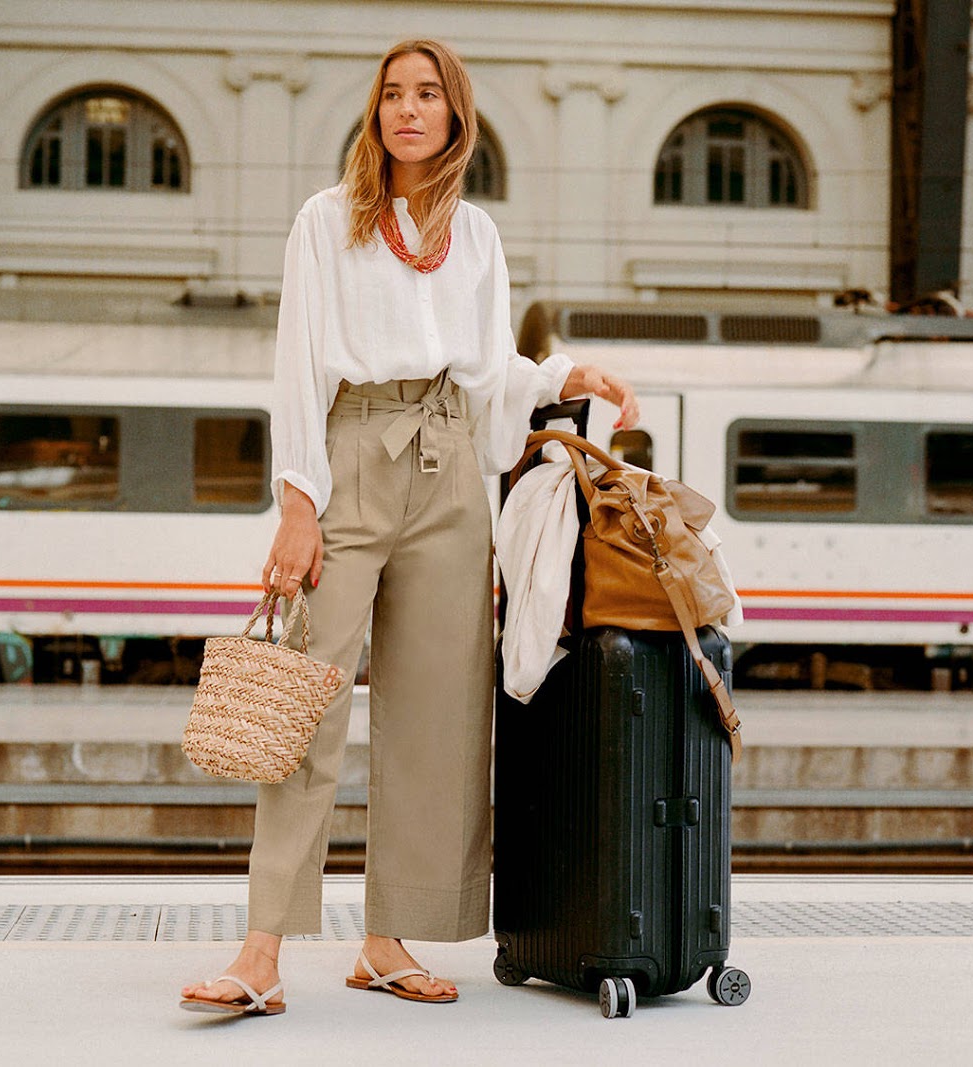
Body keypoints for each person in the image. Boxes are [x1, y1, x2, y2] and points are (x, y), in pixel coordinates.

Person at [179, 38, 638, 1015]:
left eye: (428, 94)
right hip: (349, 455)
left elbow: (486, 374)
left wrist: (564, 376)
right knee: (303, 698)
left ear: (455, 116)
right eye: (393, 93)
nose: (408, 109)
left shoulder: (473, 237)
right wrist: (297, 498)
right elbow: (296, 361)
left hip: (448, 469)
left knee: (436, 711)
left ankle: (384, 939)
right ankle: (260, 951)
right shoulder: (325, 221)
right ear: (376, 113)